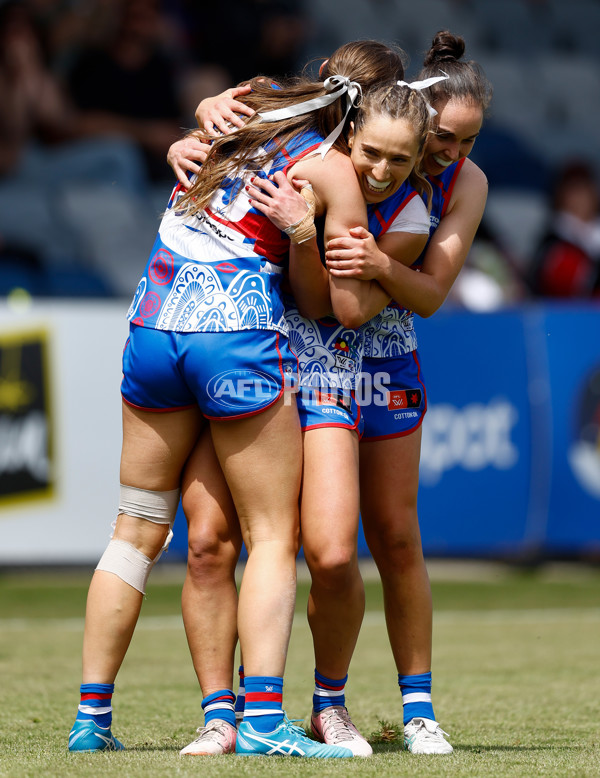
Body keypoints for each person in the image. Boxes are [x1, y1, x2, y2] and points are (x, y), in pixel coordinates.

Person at [67, 39, 410, 760]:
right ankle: (260, 721)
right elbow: (328, 304)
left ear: (320, 77)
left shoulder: (245, 113)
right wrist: (301, 233)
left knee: (135, 528)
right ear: (374, 109)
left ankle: (90, 719)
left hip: (153, 323)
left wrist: (197, 116)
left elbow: (212, 109)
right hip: (235, 337)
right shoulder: (331, 168)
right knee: (273, 537)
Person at [177, 29, 491, 756]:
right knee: (228, 542)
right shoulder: (343, 147)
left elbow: (416, 297)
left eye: (468, 142)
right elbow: (238, 119)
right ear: (403, 113)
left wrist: (377, 259)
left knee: (384, 537)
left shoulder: (441, 193)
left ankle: (400, 710)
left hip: (369, 360)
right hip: (276, 352)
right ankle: (230, 714)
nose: (454, 155)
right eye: (444, 138)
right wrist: (196, 123)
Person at [528, 159, 600, 298]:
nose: (580, 199)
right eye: (573, 191)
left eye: (584, 189)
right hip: (571, 314)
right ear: (560, 196)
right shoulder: (553, 242)